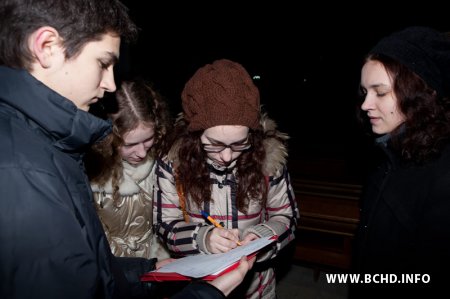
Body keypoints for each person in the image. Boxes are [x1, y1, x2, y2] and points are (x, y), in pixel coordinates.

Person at [0, 1, 254, 298]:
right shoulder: (23, 172)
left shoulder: (47, 146)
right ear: (47, 46)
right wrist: (208, 293)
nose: (109, 83)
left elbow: (88, 271)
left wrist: (147, 270)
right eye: (103, 63)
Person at [153, 58, 300, 299]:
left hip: (256, 288)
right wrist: (203, 238)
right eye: (214, 144)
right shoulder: (173, 162)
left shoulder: (268, 158)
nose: (227, 156)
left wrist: (262, 238)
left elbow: (287, 216)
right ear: (195, 134)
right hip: (197, 287)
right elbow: (164, 223)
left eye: (239, 143)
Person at [351, 26, 450, 298]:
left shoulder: (442, 177)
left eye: (380, 92)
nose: (365, 104)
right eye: (364, 91)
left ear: (417, 94)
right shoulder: (387, 154)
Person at [85, 80, 172, 261]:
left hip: (161, 264)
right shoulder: (88, 173)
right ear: (108, 139)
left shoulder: (165, 160)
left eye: (148, 139)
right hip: (114, 269)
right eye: (130, 144)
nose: (141, 153)